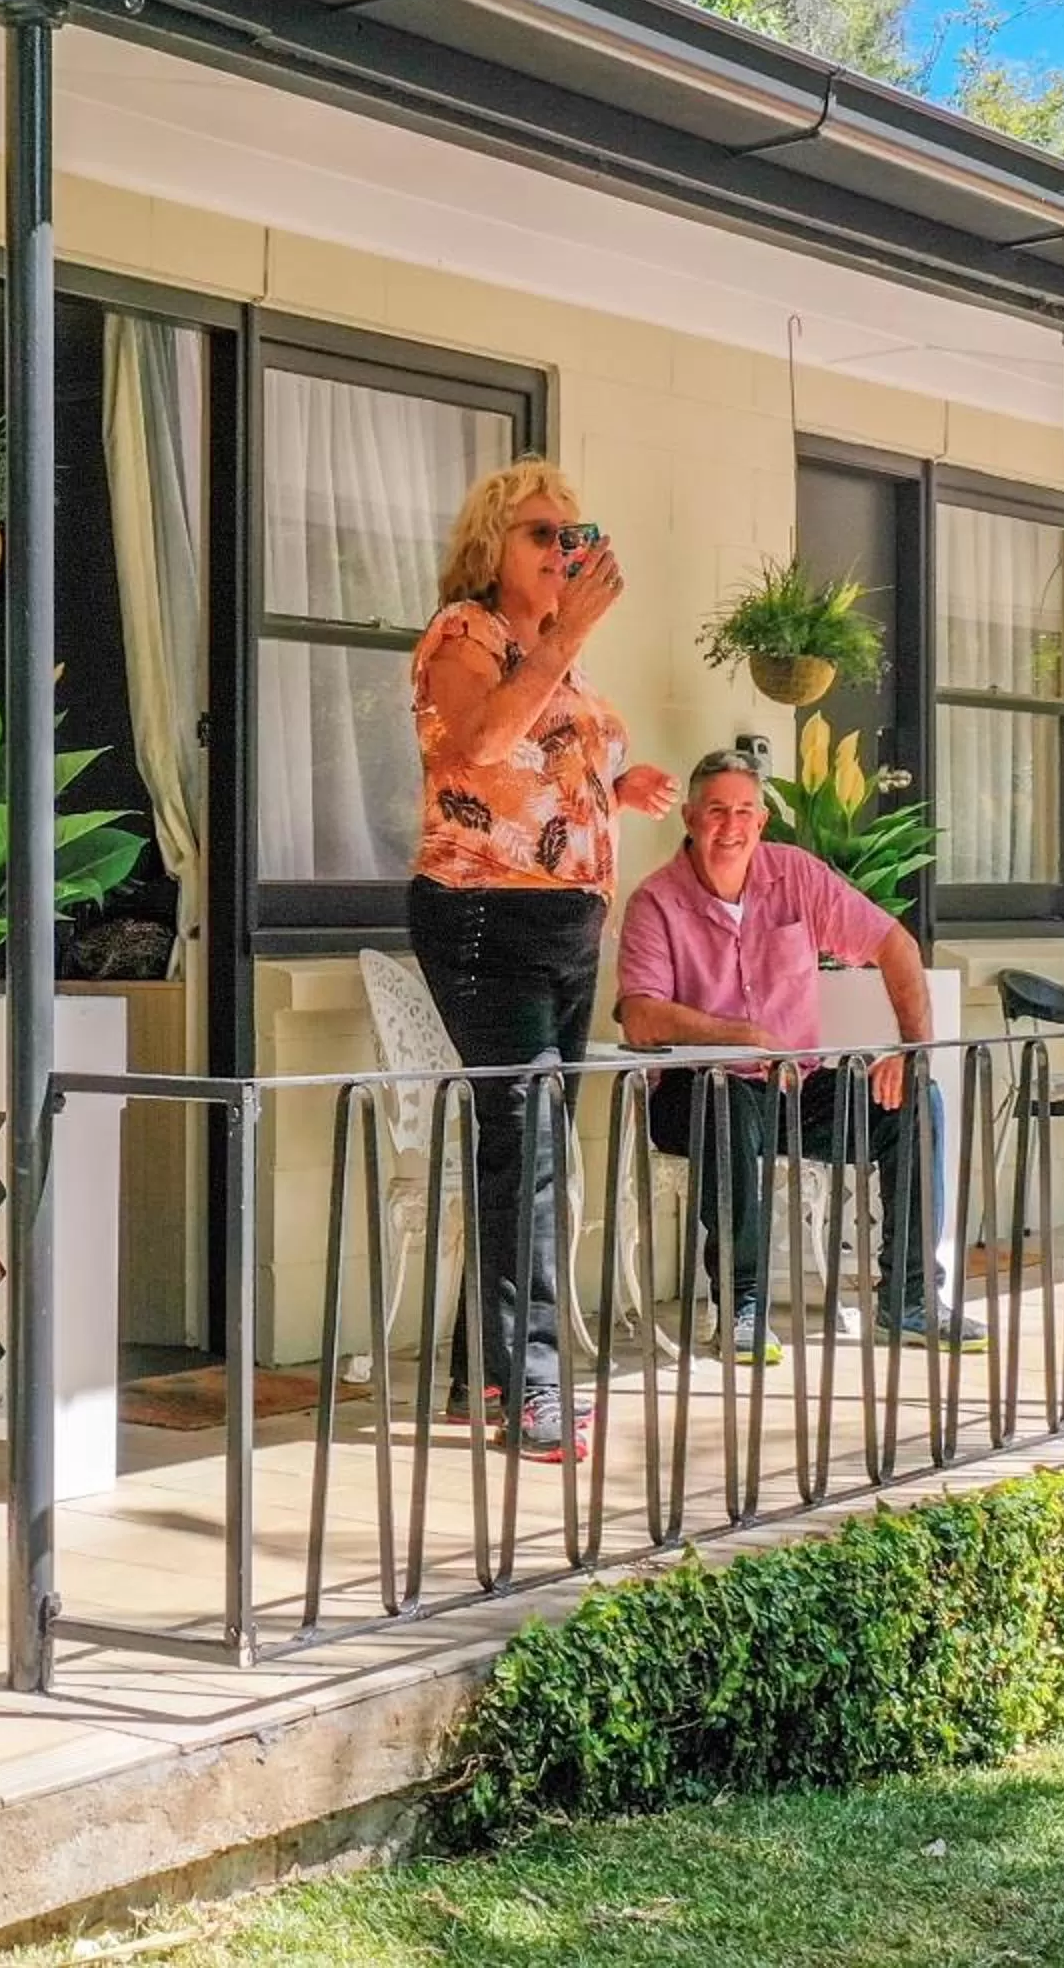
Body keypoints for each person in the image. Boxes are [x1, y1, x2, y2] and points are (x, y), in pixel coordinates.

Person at [407, 459, 679, 1461]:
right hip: (486, 917)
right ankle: (527, 1383)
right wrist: (568, 637)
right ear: (491, 547)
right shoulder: (464, 636)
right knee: (524, 1148)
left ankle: (482, 1371)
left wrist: (622, 781)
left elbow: (555, 765)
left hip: (567, 929)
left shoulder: (555, 656)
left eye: (574, 531)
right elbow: (480, 747)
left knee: (533, 1149)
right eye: (538, 532)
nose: (562, 547)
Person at [615, 749, 986, 1360]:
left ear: (761, 821)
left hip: (791, 1086)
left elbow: (893, 943)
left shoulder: (796, 875)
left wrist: (909, 1050)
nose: (729, 826)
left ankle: (911, 1300)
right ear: (688, 817)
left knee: (915, 1100)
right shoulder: (656, 901)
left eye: (743, 812)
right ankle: (742, 1307)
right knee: (724, 1099)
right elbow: (641, 1014)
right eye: (715, 811)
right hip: (693, 1093)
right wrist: (737, 1035)